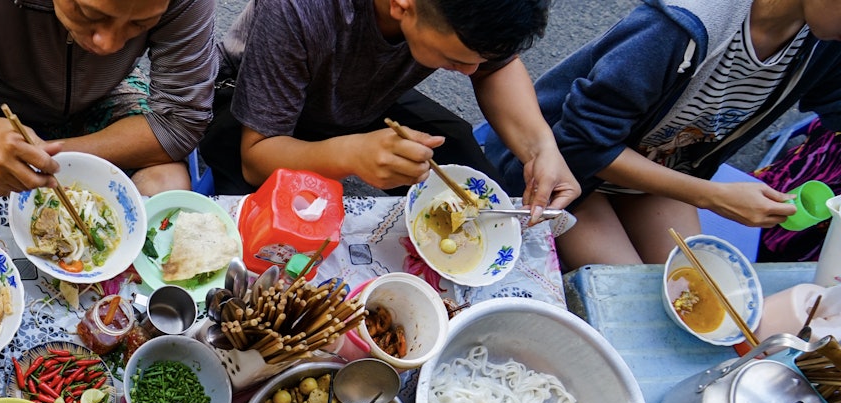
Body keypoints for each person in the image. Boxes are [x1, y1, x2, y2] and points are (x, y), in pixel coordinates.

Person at [487, 0, 841, 268]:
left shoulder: (822, 43)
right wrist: (714, 197)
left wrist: (707, 194)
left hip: (660, 176)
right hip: (566, 172)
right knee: (629, 298)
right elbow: (582, 142)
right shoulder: (680, 26)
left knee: (700, 292)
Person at [199, 0, 578, 221]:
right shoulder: (299, 9)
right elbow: (257, 155)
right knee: (257, 230)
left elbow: (496, 64)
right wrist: (351, 154)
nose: (472, 73)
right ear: (402, 5)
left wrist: (541, 148)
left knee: (458, 147)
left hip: (363, 98)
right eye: (456, 60)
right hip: (255, 108)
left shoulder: (468, 16)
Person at [0, 0, 217, 197]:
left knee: (167, 188)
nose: (108, 44)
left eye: (140, 24)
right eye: (90, 13)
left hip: (106, 93)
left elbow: (181, 119)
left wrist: (45, 158)